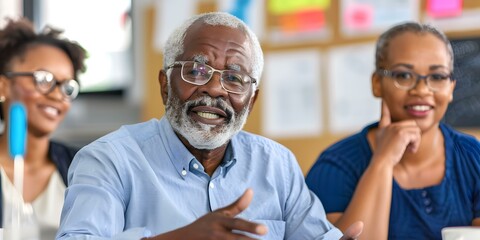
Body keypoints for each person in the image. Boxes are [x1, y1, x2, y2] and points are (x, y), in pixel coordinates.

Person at [56, 12, 363, 240]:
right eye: (196, 70)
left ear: (251, 100)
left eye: (234, 78)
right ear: (165, 84)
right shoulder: (108, 160)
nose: (215, 89)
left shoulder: (277, 164)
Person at [306, 22, 480, 240]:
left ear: (451, 88)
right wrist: (383, 161)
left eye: (437, 77)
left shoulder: (473, 157)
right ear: (377, 83)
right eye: (404, 76)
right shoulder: (336, 166)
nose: (421, 90)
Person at [0, 17, 86, 235]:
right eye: (44, 79)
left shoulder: (83, 169)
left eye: (67, 86)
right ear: (3, 86)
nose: (58, 95)